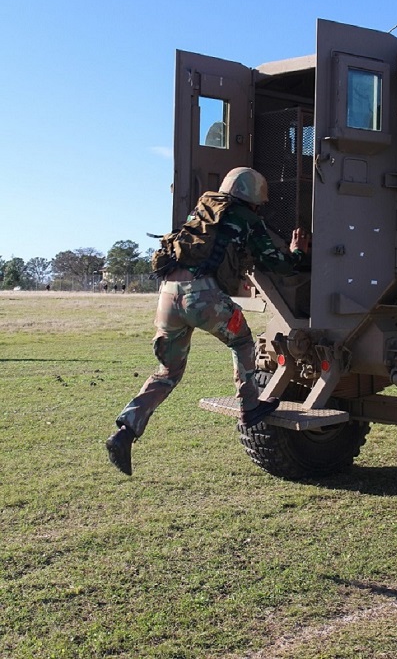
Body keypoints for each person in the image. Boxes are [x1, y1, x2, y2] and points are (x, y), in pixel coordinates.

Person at [106, 167, 310, 475]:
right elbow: (277, 264)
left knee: (168, 372)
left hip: (168, 294)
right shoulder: (248, 220)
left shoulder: (203, 212)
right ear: (253, 196)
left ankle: (125, 431)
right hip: (200, 295)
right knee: (241, 339)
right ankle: (249, 405)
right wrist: (296, 252)